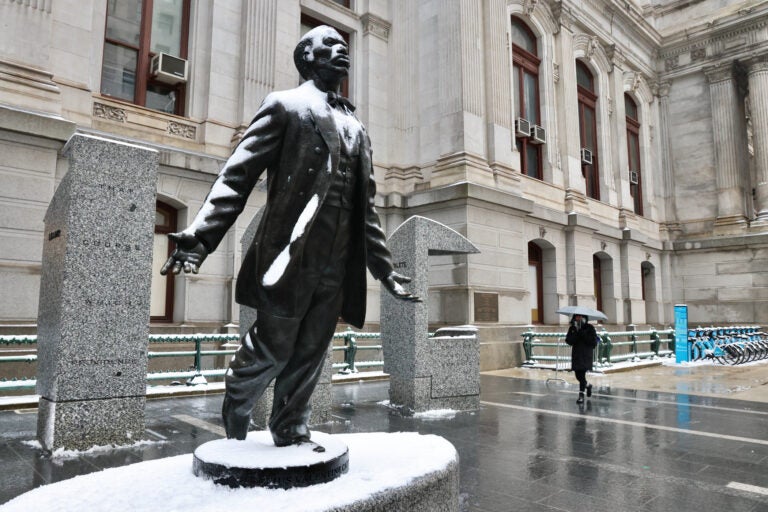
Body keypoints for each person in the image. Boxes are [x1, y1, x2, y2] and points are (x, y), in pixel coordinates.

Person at [160, 25, 420, 449]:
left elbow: (366, 208)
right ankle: (237, 410)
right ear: (307, 58)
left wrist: (384, 269)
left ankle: (291, 428)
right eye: (329, 46)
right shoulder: (285, 106)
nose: (342, 52)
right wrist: (199, 238)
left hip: (337, 259)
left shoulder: (356, 124)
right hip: (290, 253)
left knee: (312, 351)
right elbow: (236, 176)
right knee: (273, 347)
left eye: (344, 46)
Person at [565, 314, 597, 404]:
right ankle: (588, 385)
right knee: (578, 375)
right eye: (576, 316)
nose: (578, 318)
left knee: (582, 375)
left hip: (586, 355)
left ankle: (581, 395)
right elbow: (568, 340)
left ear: (584, 318)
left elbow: (593, 342)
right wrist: (576, 334)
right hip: (576, 355)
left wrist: (583, 333)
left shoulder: (589, 328)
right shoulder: (572, 328)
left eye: (580, 316)